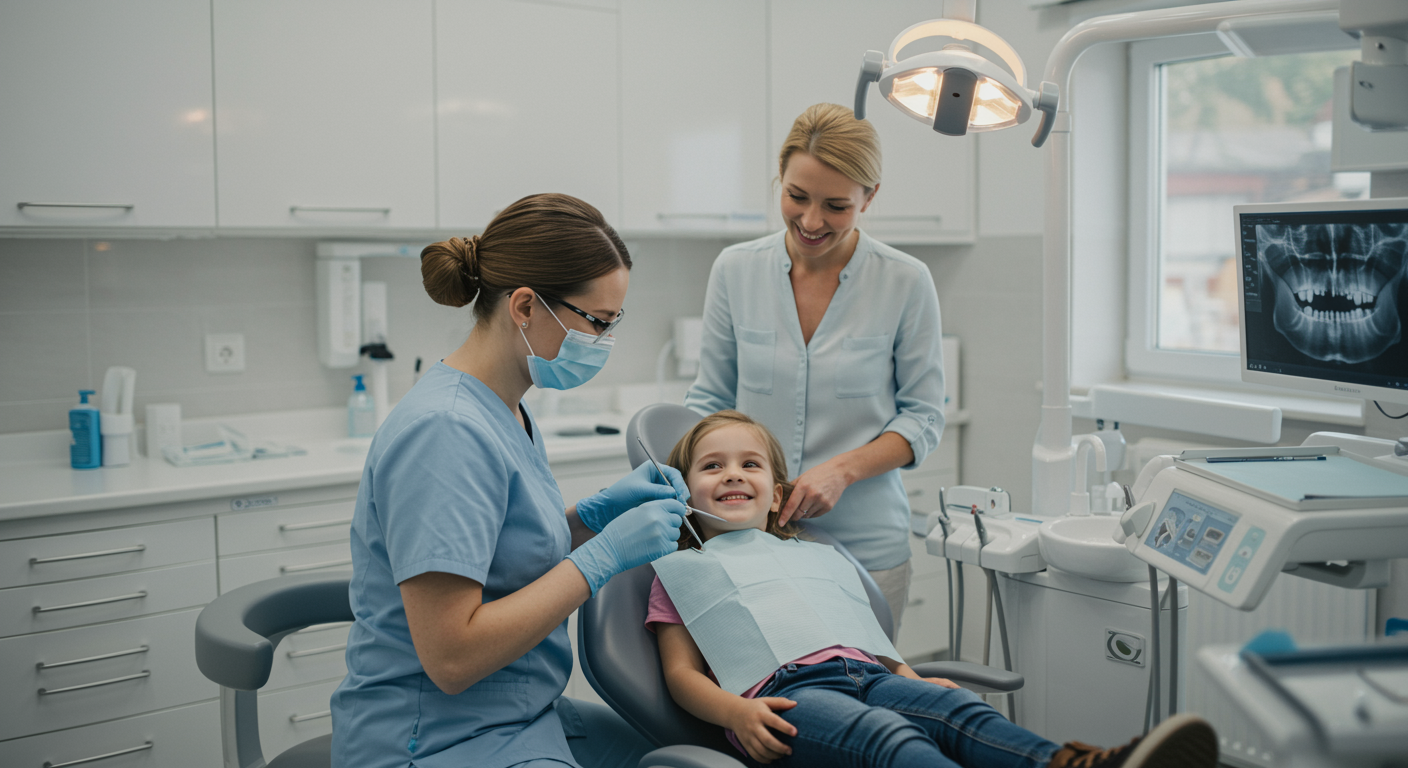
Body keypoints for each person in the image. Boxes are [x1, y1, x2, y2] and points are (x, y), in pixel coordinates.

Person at [331, 193, 691, 768]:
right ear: (524, 306)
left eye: (612, 323)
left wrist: (591, 518)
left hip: (518, 711)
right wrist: (602, 558)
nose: (602, 342)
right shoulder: (445, 431)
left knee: (680, 754)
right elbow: (452, 658)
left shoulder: (507, 407)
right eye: (596, 322)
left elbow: (503, 559)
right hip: (436, 737)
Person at [647, 411, 1219, 768]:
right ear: (684, 490)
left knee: (953, 708)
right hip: (786, 700)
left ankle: (1071, 764)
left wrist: (913, 680)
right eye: (712, 466)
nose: (731, 474)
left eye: (749, 464)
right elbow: (680, 675)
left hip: (867, 675)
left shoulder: (812, 555)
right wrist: (737, 715)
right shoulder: (682, 569)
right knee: (889, 739)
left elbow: (864, 640)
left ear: (776, 496)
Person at [685, 102, 945, 630]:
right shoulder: (735, 270)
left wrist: (844, 470)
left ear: (870, 197)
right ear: (779, 179)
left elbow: (923, 417)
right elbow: (710, 399)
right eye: (796, 196)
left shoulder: (905, 280)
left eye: (836, 205)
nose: (811, 221)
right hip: (747, 540)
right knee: (763, 696)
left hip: (867, 543)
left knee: (862, 693)